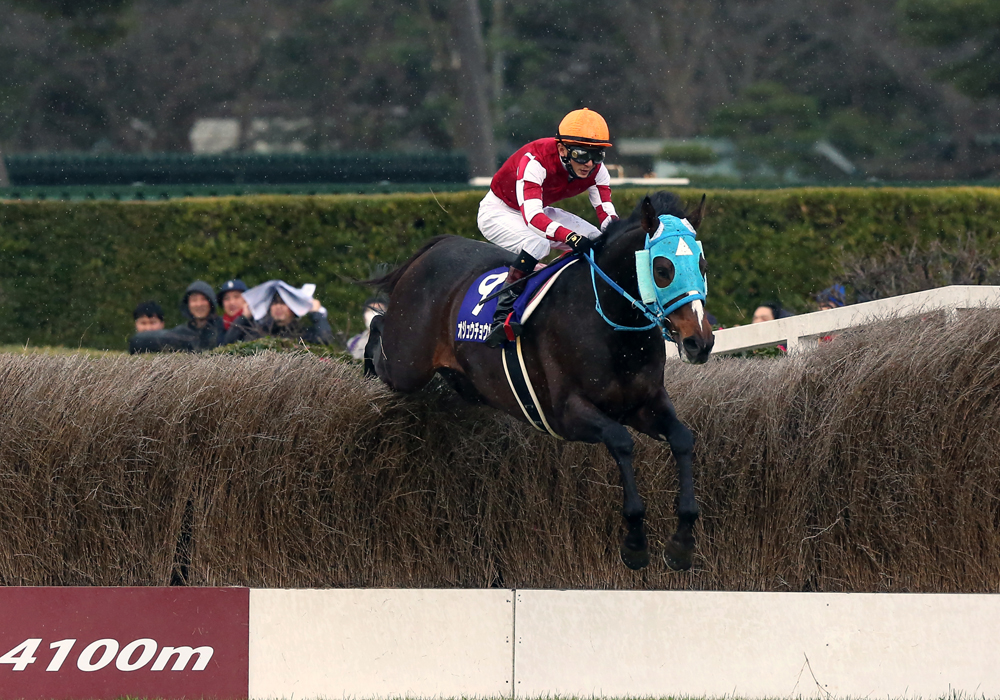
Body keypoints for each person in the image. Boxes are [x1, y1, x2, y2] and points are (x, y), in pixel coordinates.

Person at [478, 107, 619, 347]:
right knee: (538, 242)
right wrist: (571, 238)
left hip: (537, 210)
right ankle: (503, 314)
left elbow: (606, 213)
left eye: (597, 155)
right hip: (499, 211)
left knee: (597, 238)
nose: (589, 164)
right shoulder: (535, 160)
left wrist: (620, 235)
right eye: (582, 154)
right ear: (563, 149)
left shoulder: (597, 171)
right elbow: (533, 218)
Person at [224, 280, 334, 345]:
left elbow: (325, 340)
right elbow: (227, 345)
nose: (278, 307)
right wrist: (244, 317)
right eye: (274, 303)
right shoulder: (259, 332)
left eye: (283, 303)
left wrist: (316, 313)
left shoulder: (304, 334)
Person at [129, 280, 225, 353]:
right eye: (194, 300)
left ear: (211, 302)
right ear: (187, 304)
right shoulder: (182, 331)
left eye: (204, 299)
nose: (199, 304)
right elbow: (137, 341)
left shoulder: (224, 326)